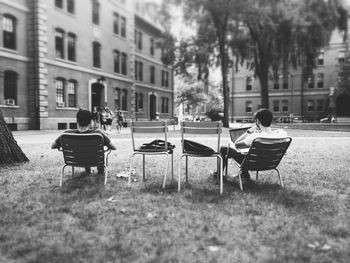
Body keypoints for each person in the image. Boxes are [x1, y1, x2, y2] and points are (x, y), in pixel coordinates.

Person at [217, 108, 287, 181]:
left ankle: (218, 174)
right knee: (248, 153)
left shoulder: (255, 137)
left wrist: (249, 131)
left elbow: (237, 143)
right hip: (270, 163)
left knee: (223, 148)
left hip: (252, 164)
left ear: (258, 121)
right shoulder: (281, 134)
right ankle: (244, 174)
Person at [51, 109, 116, 174]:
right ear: (90, 122)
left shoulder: (67, 134)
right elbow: (113, 147)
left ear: (77, 121)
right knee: (100, 151)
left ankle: (87, 171)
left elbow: (53, 146)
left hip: (76, 160)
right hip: (95, 161)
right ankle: (100, 171)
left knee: (83, 150)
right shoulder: (98, 134)